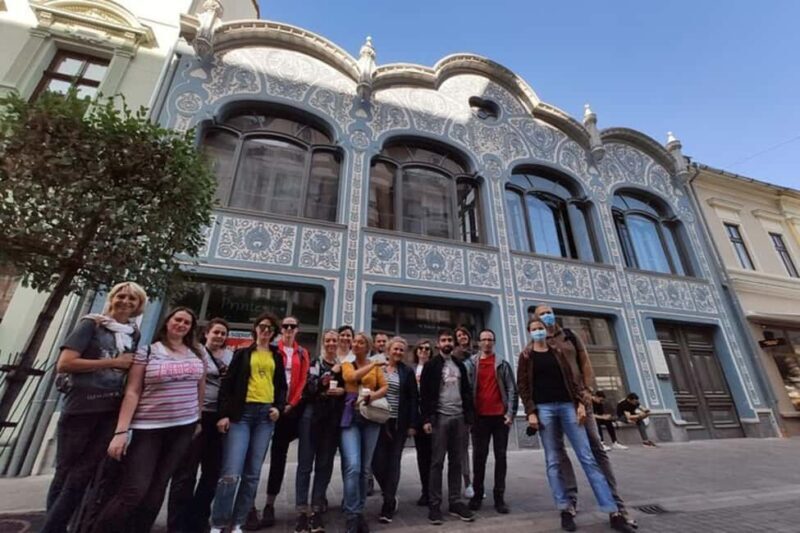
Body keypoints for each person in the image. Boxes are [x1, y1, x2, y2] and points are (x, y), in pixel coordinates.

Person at [42, 281, 147, 533]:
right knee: (66, 473)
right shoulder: (91, 324)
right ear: (112, 298)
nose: (126, 302)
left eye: (132, 299)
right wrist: (113, 362)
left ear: (138, 306)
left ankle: (63, 526)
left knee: (83, 475)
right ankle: (52, 527)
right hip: (81, 408)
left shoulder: (133, 333)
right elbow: (65, 363)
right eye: (122, 296)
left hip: (110, 409)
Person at [92, 307, 206, 533]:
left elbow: (199, 388)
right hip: (148, 428)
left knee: (157, 491)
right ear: (167, 322)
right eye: (178, 320)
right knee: (134, 490)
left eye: (187, 322)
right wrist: (121, 431)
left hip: (183, 427)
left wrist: (198, 419)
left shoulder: (196, 354)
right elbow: (133, 391)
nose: (181, 325)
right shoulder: (148, 352)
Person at [517, 319, 633, 533]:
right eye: (534, 330)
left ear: (546, 330)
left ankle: (613, 510)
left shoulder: (557, 351)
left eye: (541, 328)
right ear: (529, 332)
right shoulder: (526, 356)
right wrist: (531, 412)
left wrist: (580, 403)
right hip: (544, 410)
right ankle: (565, 509)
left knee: (587, 457)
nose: (538, 332)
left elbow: (571, 379)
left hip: (566, 405)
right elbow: (523, 386)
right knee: (552, 459)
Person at [209, 312, 286, 533]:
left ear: (273, 334)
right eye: (262, 327)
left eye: (270, 329)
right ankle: (218, 523)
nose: (265, 331)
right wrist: (223, 414)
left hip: (265, 416)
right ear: (255, 329)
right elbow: (228, 386)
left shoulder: (277, 356)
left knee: (252, 474)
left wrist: (278, 408)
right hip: (241, 415)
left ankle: (239, 522)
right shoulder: (242, 353)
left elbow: (281, 386)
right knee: (231, 472)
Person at [168, 318, 234, 532]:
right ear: (206, 333)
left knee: (212, 471)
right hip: (196, 415)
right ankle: (178, 523)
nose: (219, 337)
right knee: (186, 472)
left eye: (223, 333)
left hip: (219, 418)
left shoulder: (231, 356)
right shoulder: (195, 352)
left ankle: (198, 517)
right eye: (216, 332)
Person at [254, 316, 311, 529]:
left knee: (279, 457)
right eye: (285, 326)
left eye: (292, 326)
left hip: (289, 411)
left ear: (297, 330)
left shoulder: (302, 353)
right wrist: (274, 404)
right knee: (256, 457)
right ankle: (249, 505)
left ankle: (269, 503)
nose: (288, 329)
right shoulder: (271, 349)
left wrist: (291, 404)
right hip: (267, 408)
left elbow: (304, 380)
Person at [420, 329, 475, 525]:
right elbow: (424, 395)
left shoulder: (459, 365)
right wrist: (426, 419)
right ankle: (434, 504)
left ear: (454, 343)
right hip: (440, 418)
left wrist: (469, 416)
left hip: (459, 417)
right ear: (438, 344)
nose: (446, 342)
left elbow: (467, 391)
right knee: (436, 462)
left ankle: (455, 501)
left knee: (457, 461)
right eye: (443, 340)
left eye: (449, 339)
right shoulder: (431, 366)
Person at [293, 330, 345, 533]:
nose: (332, 343)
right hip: (311, 418)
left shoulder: (344, 367)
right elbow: (310, 388)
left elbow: (349, 392)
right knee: (305, 465)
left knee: (324, 465)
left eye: (335, 340)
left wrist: (342, 391)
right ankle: (301, 512)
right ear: (323, 343)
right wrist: (331, 374)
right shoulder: (315, 363)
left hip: (331, 421)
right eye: (328, 340)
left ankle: (316, 510)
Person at [340, 332, 387, 533]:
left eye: (360, 342)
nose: (356, 344)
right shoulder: (347, 363)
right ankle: (351, 514)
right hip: (351, 418)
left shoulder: (374, 366)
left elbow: (384, 386)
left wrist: (372, 396)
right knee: (353, 466)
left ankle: (358, 513)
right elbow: (350, 377)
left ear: (367, 346)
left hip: (371, 419)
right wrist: (374, 365)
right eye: (354, 342)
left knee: (364, 469)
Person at [467, 328, 517, 514]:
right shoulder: (470, 364)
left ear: (493, 342)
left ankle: (499, 497)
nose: (487, 343)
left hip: (499, 418)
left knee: (501, 457)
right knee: (479, 458)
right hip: (479, 418)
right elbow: (466, 390)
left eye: (490, 339)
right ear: (478, 342)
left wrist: (510, 414)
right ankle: (477, 495)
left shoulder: (502, 363)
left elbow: (512, 389)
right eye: (484, 339)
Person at [372, 336, 419, 524]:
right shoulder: (377, 368)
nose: (398, 352)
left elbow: (414, 399)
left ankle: (388, 503)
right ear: (388, 350)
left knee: (393, 462)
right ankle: (389, 492)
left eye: (401, 350)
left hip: (398, 423)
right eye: (395, 349)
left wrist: (412, 425)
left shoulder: (407, 372)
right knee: (376, 462)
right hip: (378, 422)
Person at [453, 325, 475, 499]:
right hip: (460, 407)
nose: (462, 337)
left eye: (464, 334)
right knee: (461, 448)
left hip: (479, 406)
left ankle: (475, 483)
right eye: (458, 335)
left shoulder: (477, 355)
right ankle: (467, 482)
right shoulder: (453, 358)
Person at [412, 339, 433, 507]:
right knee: (422, 457)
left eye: (427, 349)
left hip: (433, 419)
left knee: (434, 457)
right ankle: (425, 490)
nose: (424, 351)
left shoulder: (435, 368)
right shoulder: (411, 370)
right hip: (418, 419)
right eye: (421, 348)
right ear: (416, 351)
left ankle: (433, 490)